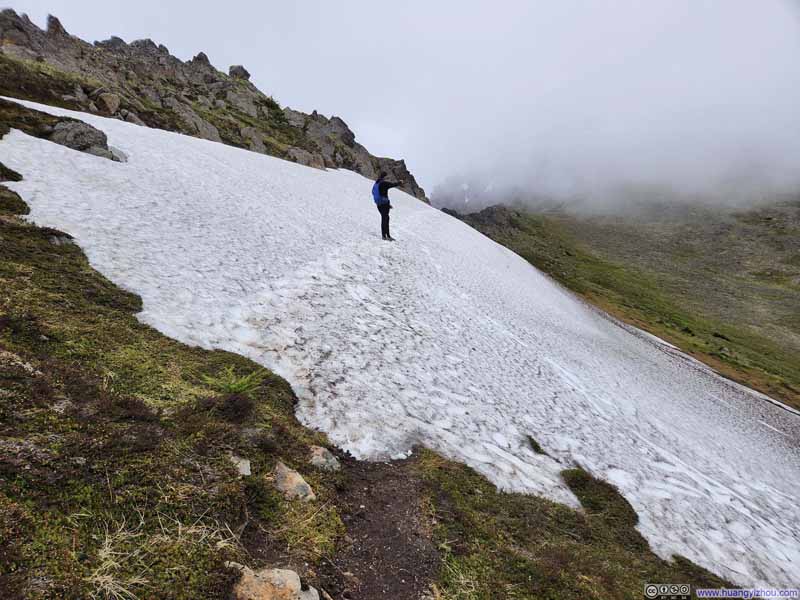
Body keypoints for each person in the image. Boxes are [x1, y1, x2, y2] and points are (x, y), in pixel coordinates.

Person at [371, 171, 402, 241]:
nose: (387, 178)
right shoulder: (384, 183)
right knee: (385, 219)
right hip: (384, 204)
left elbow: (373, 192)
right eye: (387, 177)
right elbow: (393, 184)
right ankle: (385, 236)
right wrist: (400, 182)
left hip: (379, 204)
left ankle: (386, 235)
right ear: (384, 177)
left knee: (385, 218)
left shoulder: (376, 183)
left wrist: (380, 199)